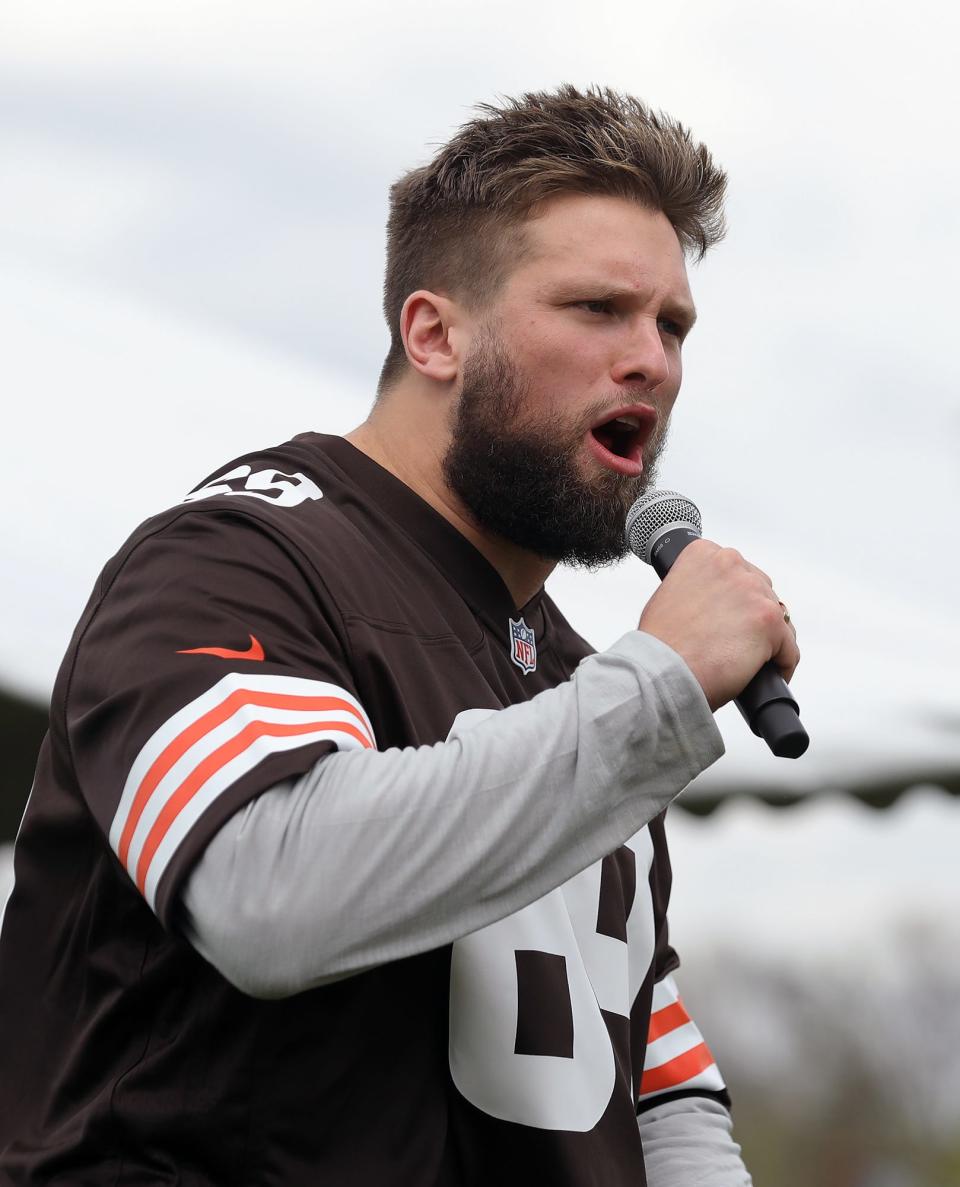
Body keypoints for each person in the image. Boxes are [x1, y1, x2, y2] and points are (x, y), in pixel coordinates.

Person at [0, 85, 798, 1185]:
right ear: (434, 334)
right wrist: (657, 690)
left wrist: (630, 699)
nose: (652, 361)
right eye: (597, 309)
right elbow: (263, 891)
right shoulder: (237, 557)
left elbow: (657, 1087)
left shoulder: (577, 678)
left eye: (671, 324)